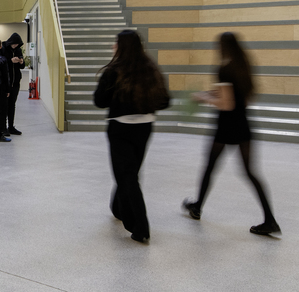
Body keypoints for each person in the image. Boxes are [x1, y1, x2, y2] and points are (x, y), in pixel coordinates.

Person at [183, 32, 279, 236]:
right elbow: (239, 98)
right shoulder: (244, 67)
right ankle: (270, 219)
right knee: (250, 172)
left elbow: (227, 103)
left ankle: (198, 206)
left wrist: (202, 98)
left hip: (226, 126)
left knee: (210, 166)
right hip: (243, 124)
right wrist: (211, 94)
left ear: (223, 46)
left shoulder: (225, 68)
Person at [93, 30, 170, 243]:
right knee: (130, 171)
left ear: (122, 46)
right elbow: (164, 101)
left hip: (120, 129)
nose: (112, 47)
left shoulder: (114, 71)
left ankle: (140, 225)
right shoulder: (150, 69)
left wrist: (120, 101)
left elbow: (99, 101)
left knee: (127, 175)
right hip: (144, 128)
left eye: (115, 43)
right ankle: (117, 207)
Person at [1, 32, 25, 136]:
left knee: (12, 105)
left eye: (17, 44)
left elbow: (22, 66)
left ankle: (11, 126)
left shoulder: (18, 50)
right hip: (6, 82)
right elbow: (1, 63)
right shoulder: (3, 49)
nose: (15, 46)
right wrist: (11, 61)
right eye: (14, 44)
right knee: (5, 106)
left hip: (15, 82)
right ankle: (3, 127)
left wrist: (20, 62)